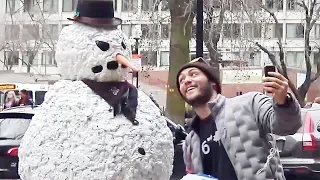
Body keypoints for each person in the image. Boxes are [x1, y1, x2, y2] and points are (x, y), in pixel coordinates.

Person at [176, 57, 302, 180]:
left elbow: (288, 126)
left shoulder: (250, 103)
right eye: (181, 81)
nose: (186, 81)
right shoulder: (190, 141)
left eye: (193, 74)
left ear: (213, 82)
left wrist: (283, 101)